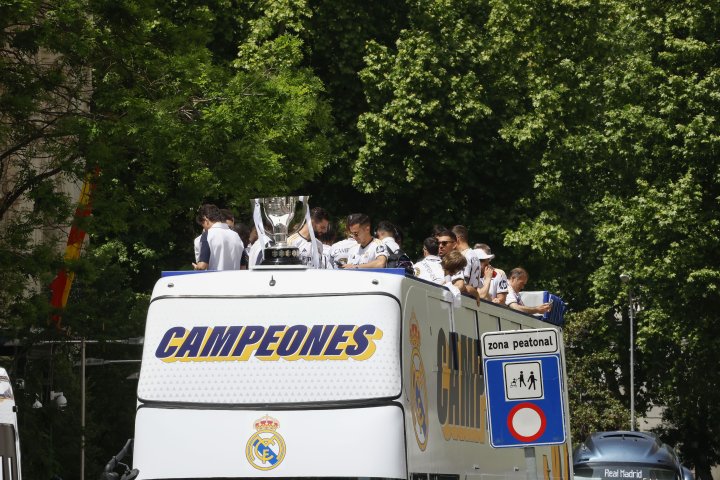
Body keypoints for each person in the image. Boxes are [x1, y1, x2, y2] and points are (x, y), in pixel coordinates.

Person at [193, 204, 244, 270]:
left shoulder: (208, 235)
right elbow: (243, 267)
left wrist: (197, 267)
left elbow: (202, 266)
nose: (204, 227)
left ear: (206, 220)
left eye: (202, 224)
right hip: (235, 279)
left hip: (215, 279)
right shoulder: (236, 236)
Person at [452, 225, 481, 300]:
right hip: (472, 297)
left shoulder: (465, 255)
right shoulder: (474, 255)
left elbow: (463, 283)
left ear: (457, 238)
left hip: (464, 297)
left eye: (452, 239)